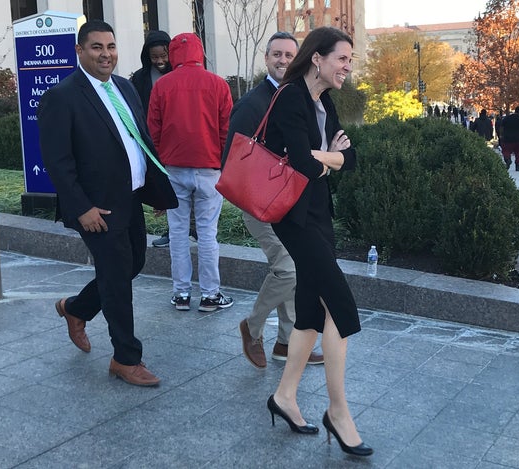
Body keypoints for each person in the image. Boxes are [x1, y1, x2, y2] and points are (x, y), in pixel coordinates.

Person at [37, 20, 177, 387]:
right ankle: (125, 359)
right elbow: (58, 161)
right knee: (117, 277)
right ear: (80, 51)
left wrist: (154, 191)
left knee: (133, 264)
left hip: (129, 198)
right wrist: (81, 207)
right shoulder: (62, 96)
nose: (106, 54)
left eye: (111, 46)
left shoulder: (127, 89)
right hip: (96, 208)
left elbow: (139, 142)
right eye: (97, 47)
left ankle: (77, 309)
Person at [261, 27, 372, 456]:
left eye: (349, 60)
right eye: (342, 58)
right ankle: (338, 411)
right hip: (293, 215)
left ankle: (285, 396)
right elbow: (304, 165)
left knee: (310, 307)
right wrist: (330, 158)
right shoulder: (290, 97)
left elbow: (349, 157)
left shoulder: (322, 101)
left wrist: (322, 158)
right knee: (340, 306)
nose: (347, 66)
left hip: (318, 214)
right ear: (318, 59)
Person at [222, 32, 324, 368]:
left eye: (289, 55)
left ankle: (286, 342)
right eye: (276, 54)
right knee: (288, 269)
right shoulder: (253, 103)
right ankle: (251, 328)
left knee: (293, 269)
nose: (283, 60)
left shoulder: (300, 97)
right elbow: (232, 157)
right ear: (266, 59)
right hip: (260, 201)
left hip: (291, 199)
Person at [148, 33, 234, 312]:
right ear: (201, 53)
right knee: (208, 234)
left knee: (177, 232)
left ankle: (181, 294)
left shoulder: (162, 86)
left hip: (173, 169)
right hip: (209, 168)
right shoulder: (219, 85)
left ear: (173, 55)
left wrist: (158, 172)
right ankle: (210, 295)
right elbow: (226, 131)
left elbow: (154, 133)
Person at [129, 30, 196, 248]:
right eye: (154, 57)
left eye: (163, 56)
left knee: (188, 185)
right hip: (152, 139)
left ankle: (192, 228)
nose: (159, 61)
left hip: (179, 138)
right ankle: (173, 230)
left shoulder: (182, 74)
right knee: (166, 185)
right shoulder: (139, 79)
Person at [501, 106, 519, 171]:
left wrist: (501, 135)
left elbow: (501, 126)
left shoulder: (507, 118)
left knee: (506, 151)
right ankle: (518, 166)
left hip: (508, 138)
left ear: (515, 110)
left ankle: (508, 160)